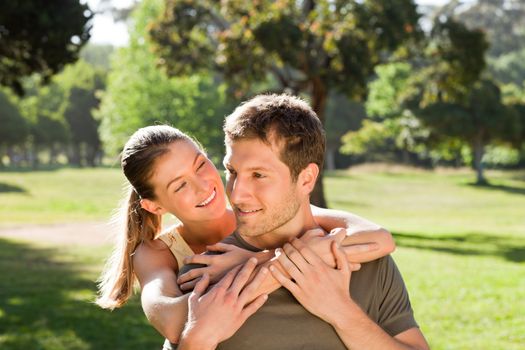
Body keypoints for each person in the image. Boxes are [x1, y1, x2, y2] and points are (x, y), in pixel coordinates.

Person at [95, 125, 396, 343]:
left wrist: (257, 259)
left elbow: (377, 239)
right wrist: (260, 267)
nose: (203, 185)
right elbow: (172, 321)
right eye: (180, 185)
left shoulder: (256, 215)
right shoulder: (159, 251)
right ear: (154, 206)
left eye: (201, 165)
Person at [177, 94, 429, 349]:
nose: (237, 193)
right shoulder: (206, 271)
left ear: (307, 179)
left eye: (258, 175)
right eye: (232, 172)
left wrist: (342, 313)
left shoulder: (367, 263)